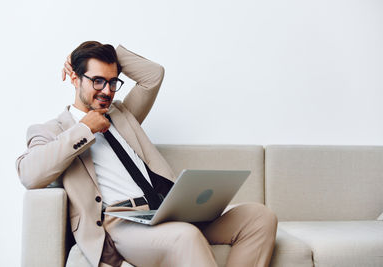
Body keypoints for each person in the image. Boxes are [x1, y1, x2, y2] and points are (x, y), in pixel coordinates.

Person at [16, 41, 278, 267]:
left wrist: (109, 53)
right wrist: (84, 128)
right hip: (122, 223)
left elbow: (153, 75)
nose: (107, 91)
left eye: (112, 82)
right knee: (185, 236)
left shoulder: (122, 114)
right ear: (74, 78)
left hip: (166, 209)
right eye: (97, 80)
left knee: (259, 217)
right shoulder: (52, 131)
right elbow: (29, 174)